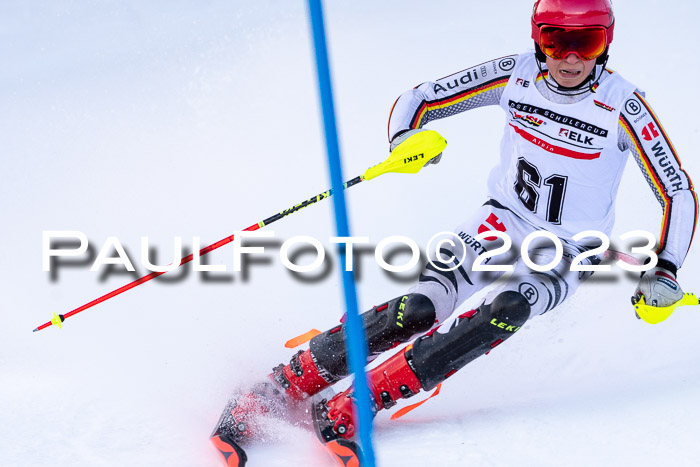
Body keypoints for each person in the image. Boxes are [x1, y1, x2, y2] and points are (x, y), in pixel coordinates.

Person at [226, 0, 697, 447]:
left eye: (587, 43)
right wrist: (405, 141)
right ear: (538, 40)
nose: (570, 58)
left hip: (571, 248)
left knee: (508, 309)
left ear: (607, 43)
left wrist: (667, 268)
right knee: (418, 310)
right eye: (555, 41)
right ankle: (280, 385)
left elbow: (676, 190)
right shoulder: (515, 75)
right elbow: (421, 99)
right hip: (501, 221)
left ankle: (359, 402)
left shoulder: (625, 105)